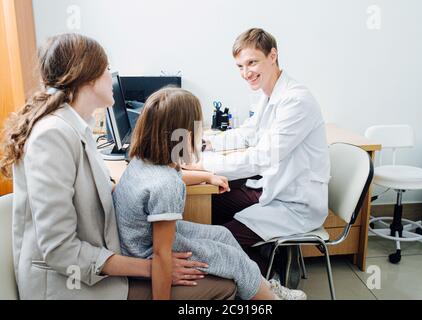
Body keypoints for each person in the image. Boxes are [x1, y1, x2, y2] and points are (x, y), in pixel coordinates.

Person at [0, 33, 236, 300]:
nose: (111, 77)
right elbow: (60, 250)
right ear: (87, 78)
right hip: (69, 286)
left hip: (100, 262)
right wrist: (154, 269)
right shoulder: (52, 136)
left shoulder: (77, 127)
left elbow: (97, 190)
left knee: (219, 244)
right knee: (225, 284)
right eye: (106, 70)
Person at [113, 87, 307, 300]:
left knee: (223, 234)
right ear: (186, 137)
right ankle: (269, 298)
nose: (201, 135)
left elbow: (171, 179)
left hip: (137, 242)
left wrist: (207, 176)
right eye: (198, 129)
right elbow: (161, 254)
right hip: (146, 253)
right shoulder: (166, 185)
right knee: (232, 259)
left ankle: (263, 287)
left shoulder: (143, 162)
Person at [196, 28, 331, 275]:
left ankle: (268, 276)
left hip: (295, 203)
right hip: (272, 189)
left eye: (252, 62)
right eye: (239, 66)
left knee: (216, 243)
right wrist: (207, 143)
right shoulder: (269, 94)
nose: (246, 73)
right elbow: (248, 133)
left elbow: (262, 157)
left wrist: (203, 165)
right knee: (206, 206)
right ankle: (261, 258)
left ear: (273, 56)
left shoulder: (296, 100)